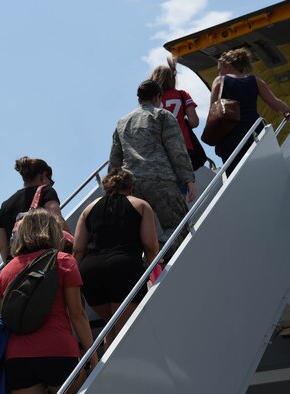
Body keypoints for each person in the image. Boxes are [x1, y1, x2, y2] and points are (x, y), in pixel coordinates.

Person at [0, 209, 98, 394]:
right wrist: (92, 354)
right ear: (52, 231)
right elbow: (77, 313)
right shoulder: (63, 261)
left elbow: (7, 319)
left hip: (18, 359)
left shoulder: (6, 272)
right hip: (58, 350)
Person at [109, 79, 195, 259]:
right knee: (178, 227)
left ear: (139, 99)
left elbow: (115, 159)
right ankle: (159, 254)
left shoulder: (122, 122)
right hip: (161, 180)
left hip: (130, 186)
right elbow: (176, 149)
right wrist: (188, 179)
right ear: (158, 97)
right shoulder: (162, 115)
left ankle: (140, 263)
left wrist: (112, 191)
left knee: (133, 232)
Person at [73, 169, 159, 348]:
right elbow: (150, 246)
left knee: (112, 325)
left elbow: (78, 249)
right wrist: (155, 274)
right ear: (131, 187)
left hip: (91, 272)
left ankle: (106, 371)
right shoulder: (141, 205)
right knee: (124, 332)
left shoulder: (88, 210)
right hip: (124, 269)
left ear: (106, 188)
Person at [211, 48, 290, 174]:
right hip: (255, 130)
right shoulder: (255, 81)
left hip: (231, 134)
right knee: (264, 170)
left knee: (236, 175)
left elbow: (213, 112)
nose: (219, 74)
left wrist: (217, 140)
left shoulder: (220, 81)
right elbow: (274, 102)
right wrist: (288, 110)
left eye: (220, 70)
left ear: (228, 66)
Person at [0, 156, 70, 264]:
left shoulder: (4, 206)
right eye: (51, 181)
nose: (50, 184)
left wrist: (11, 264)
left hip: (16, 265)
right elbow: (57, 221)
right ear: (44, 175)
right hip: (42, 260)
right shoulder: (46, 191)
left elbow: (2, 246)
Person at [150, 57, 202, 169]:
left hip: (160, 148)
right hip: (183, 145)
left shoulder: (151, 100)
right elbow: (194, 122)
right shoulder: (182, 95)